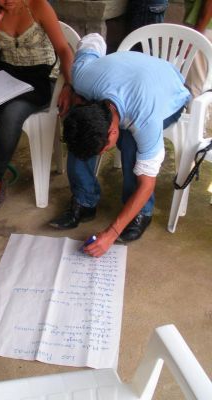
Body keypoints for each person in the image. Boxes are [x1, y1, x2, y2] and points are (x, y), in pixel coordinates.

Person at [49, 33, 190, 257]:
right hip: (127, 75)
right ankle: (85, 201)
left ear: (113, 131)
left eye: (105, 148)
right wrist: (69, 85)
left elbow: (147, 184)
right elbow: (93, 39)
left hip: (169, 89)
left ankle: (141, 213)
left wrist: (112, 232)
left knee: (131, 143)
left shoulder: (145, 119)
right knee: (81, 136)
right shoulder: (83, 78)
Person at [0, 0, 73, 212]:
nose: (7, 1)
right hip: (6, 77)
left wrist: (69, 84)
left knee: (11, 113)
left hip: (40, 80)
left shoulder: (39, 6)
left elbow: (63, 49)